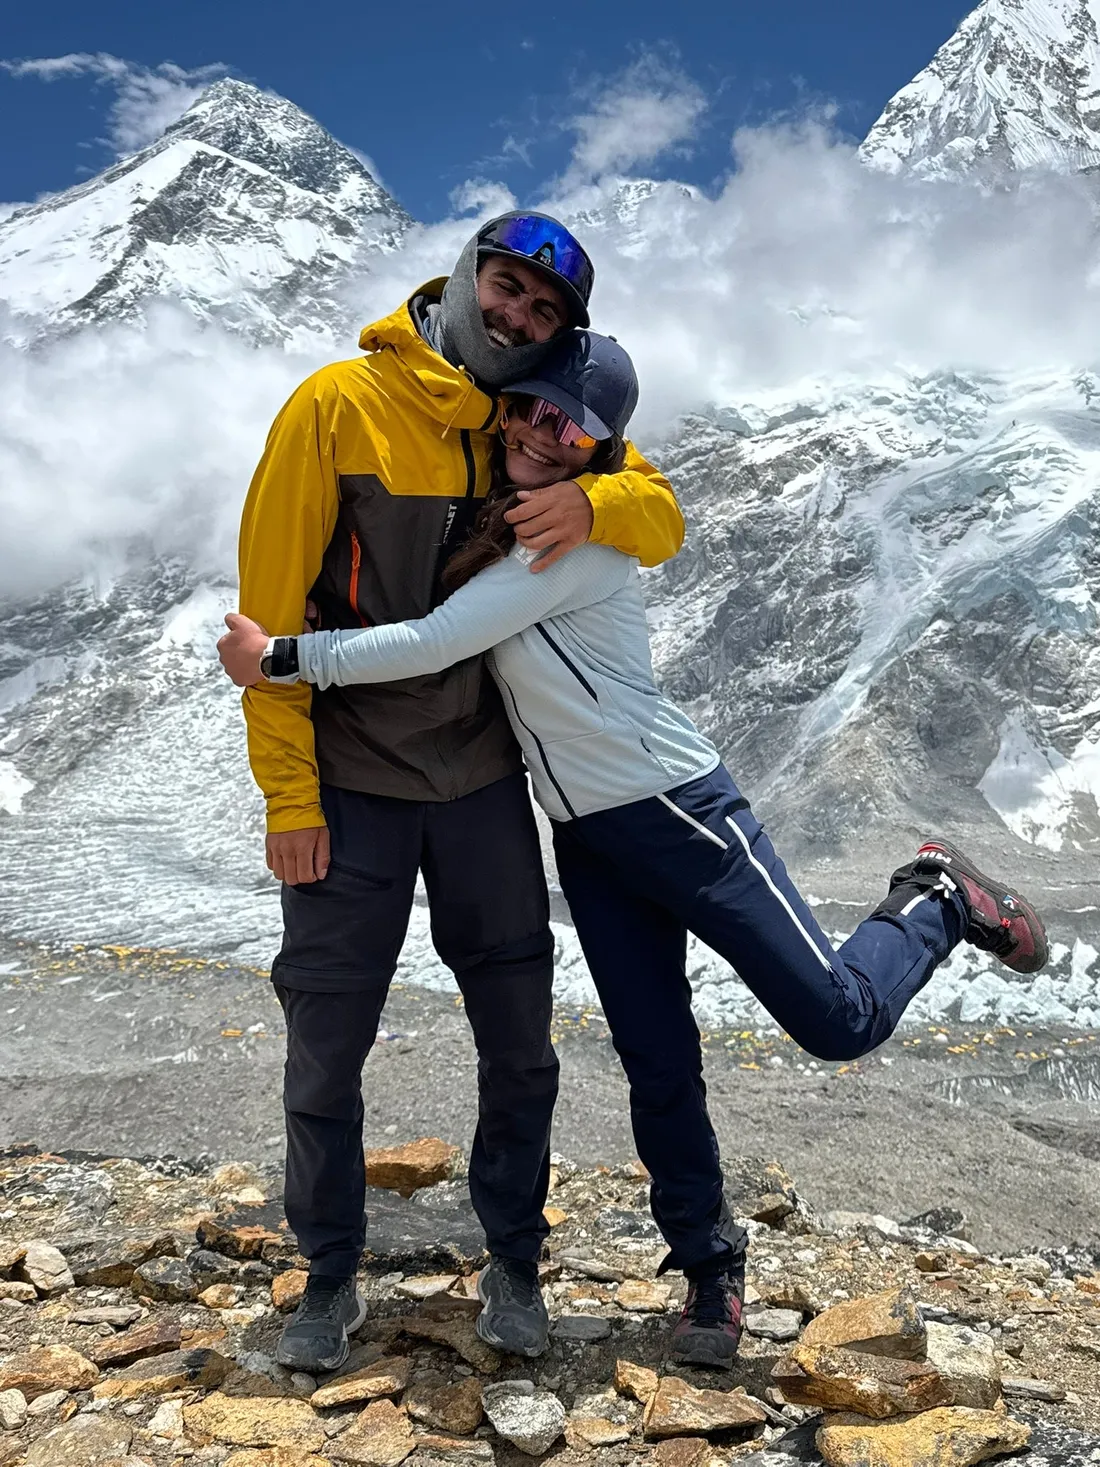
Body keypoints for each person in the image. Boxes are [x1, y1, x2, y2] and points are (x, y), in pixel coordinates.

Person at [220, 329, 1049, 1370]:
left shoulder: (571, 541)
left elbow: (434, 643)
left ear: (602, 447)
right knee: (656, 1061)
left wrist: (279, 658)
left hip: (677, 814)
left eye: (570, 426)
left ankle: (934, 894)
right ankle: (708, 1267)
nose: (541, 431)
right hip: (589, 840)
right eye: (529, 407)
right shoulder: (520, 527)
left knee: (836, 1019)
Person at [235, 212, 685, 1372]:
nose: (517, 316)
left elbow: (661, 514)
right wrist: (290, 800)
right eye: (507, 285)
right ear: (462, 272)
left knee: (519, 1041)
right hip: (353, 783)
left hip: (481, 780)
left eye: (544, 311)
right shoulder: (336, 407)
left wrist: (597, 504)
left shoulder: (531, 421)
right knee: (325, 1043)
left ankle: (515, 1263)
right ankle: (328, 1275)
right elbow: (264, 622)